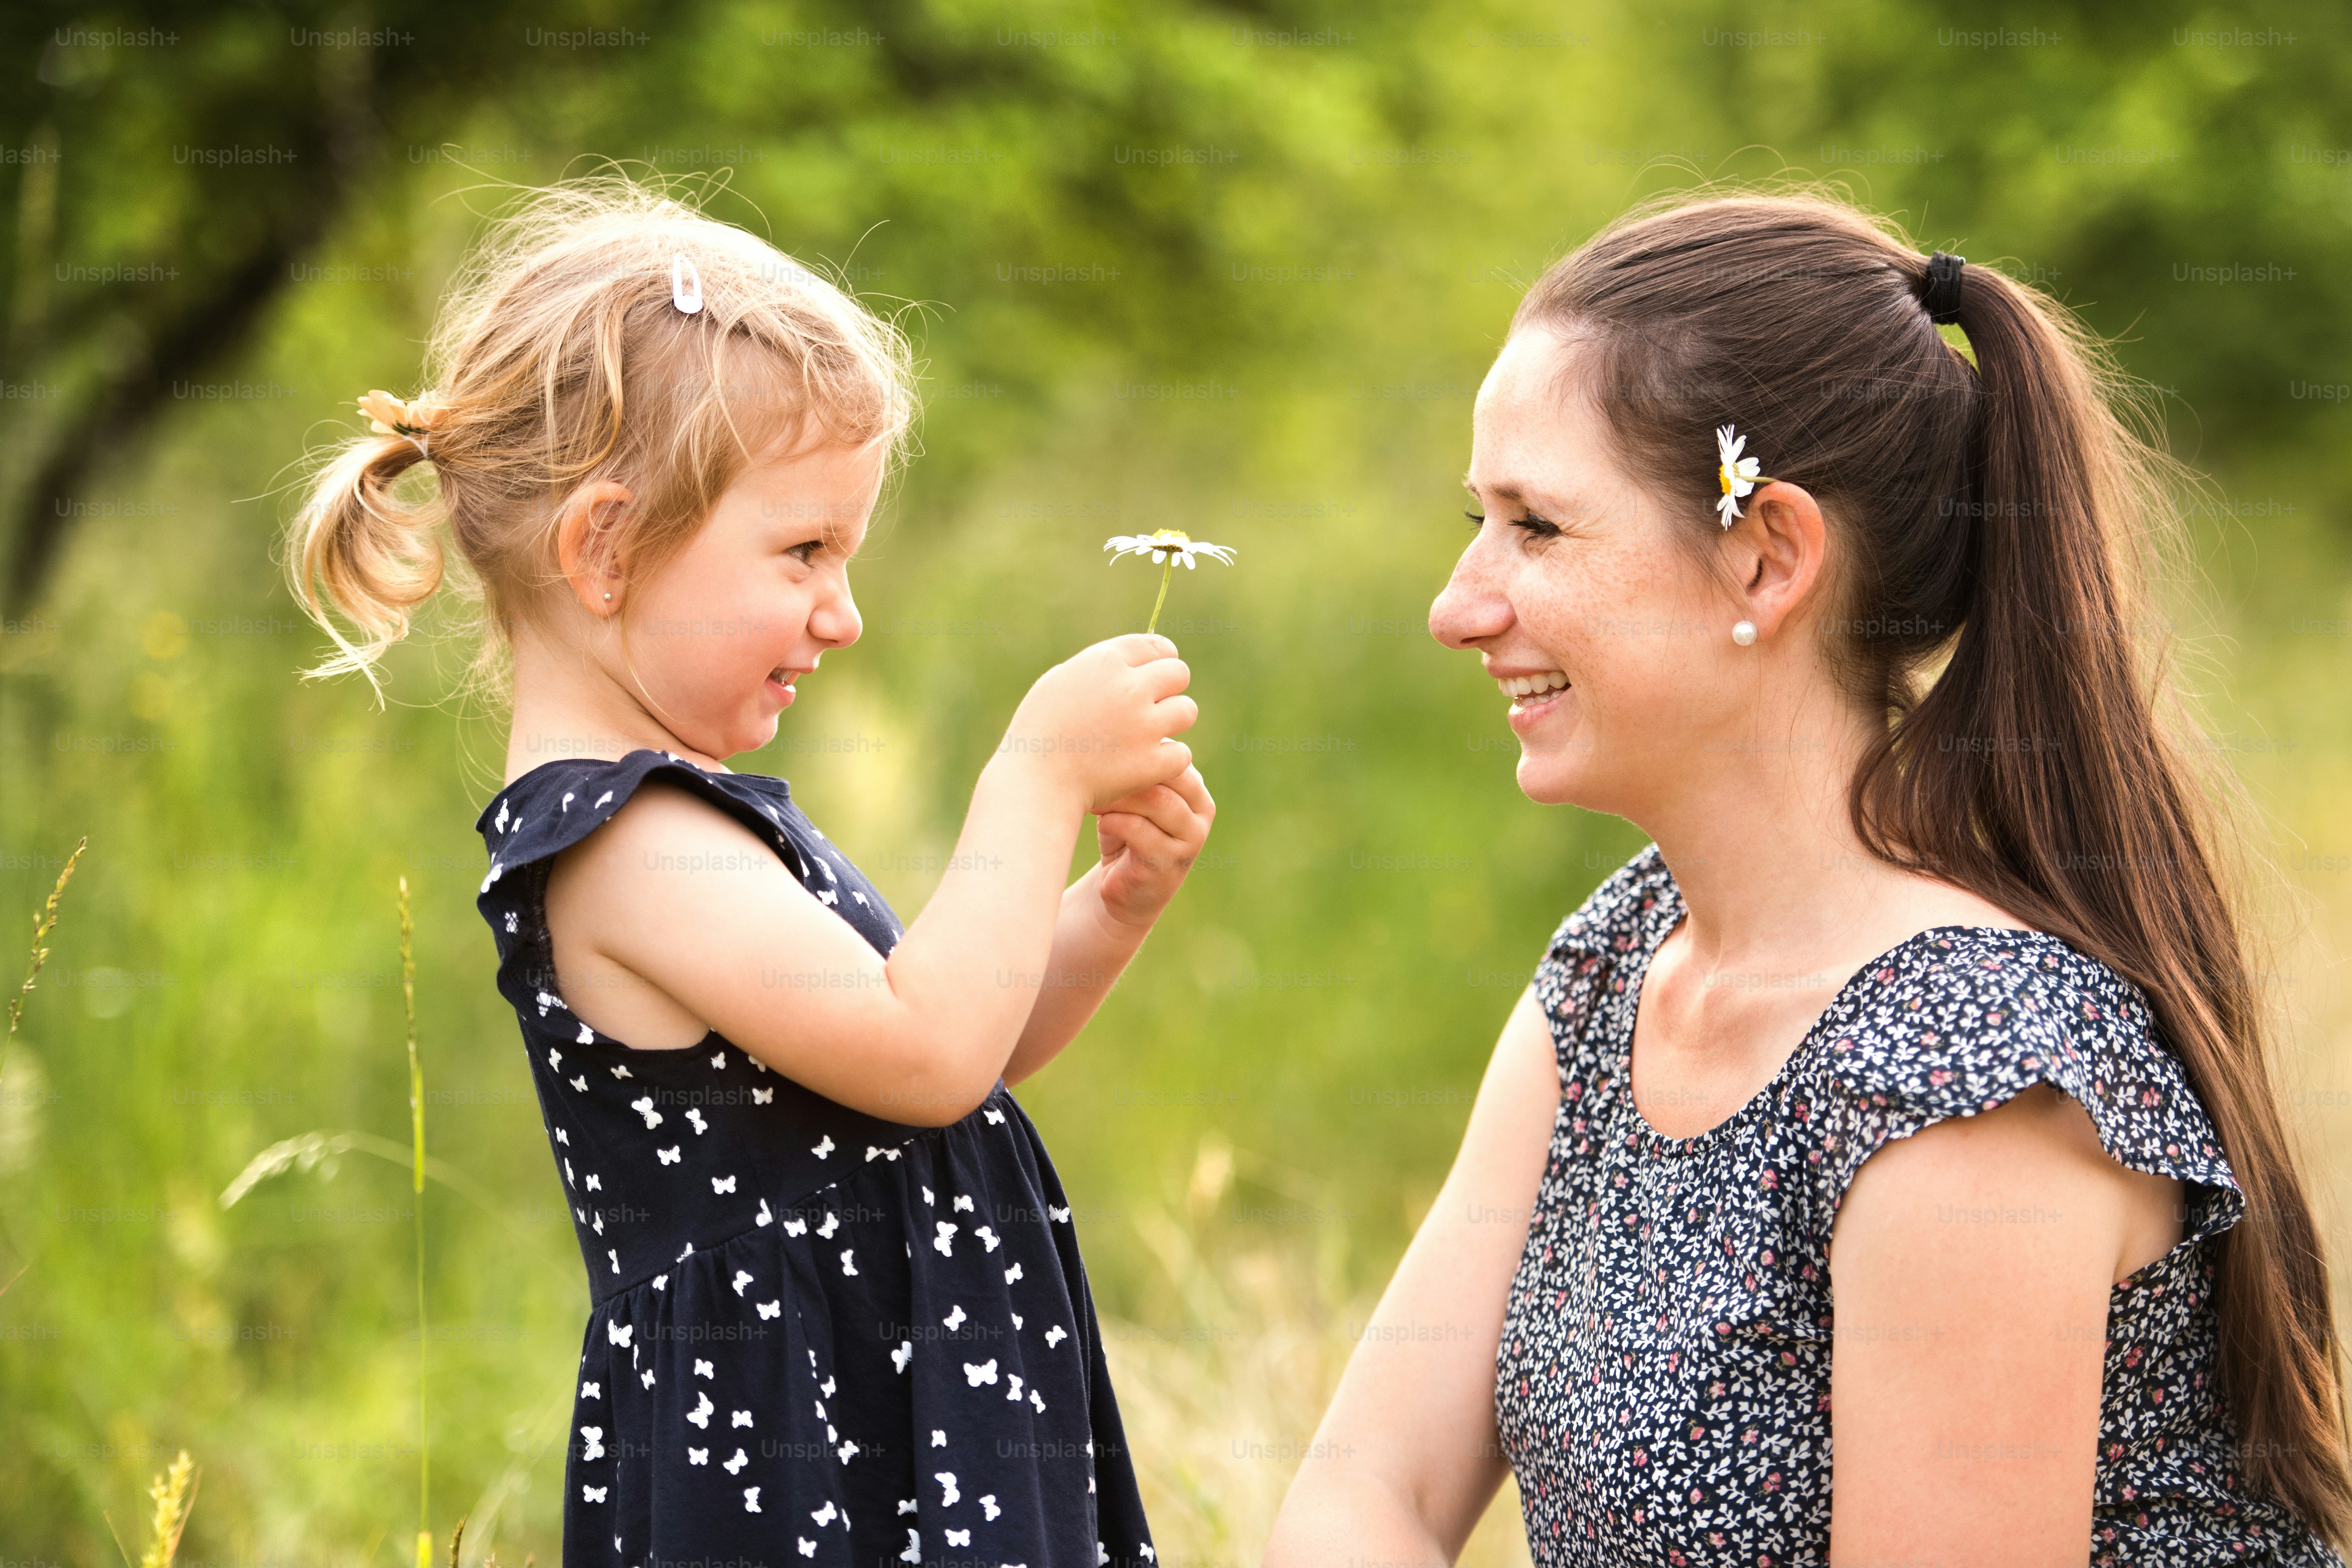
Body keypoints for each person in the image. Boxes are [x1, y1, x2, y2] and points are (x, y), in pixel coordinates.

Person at [1267, 189, 2351, 1567]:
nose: (1458, 602)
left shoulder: (1971, 1078)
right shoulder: (1623, 958)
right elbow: (1370, 1496)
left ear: (1767, 556)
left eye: (1536, 528)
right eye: (1478, 520)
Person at [286, 176, 1204, 1568]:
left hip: (883, 1429)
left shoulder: (687, 815)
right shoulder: (624, 847)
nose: (842, 613)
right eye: (804, 552)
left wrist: (1107, 905)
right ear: (604, 548)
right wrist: (1033, 778)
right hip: (797, 1475)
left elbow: (947, 1062)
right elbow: (926, 1049)